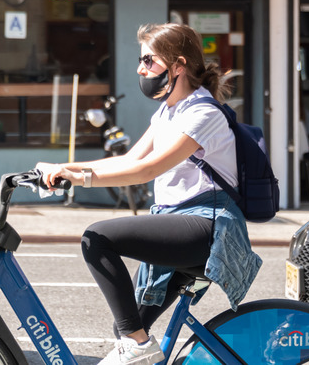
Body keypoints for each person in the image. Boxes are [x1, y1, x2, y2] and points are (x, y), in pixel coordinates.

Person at [36, 23, 262, 365]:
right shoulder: (169, 110)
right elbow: (129, 159)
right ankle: (138, 344)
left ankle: (138, 345)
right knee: (128, 325)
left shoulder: (203, 113)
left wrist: (78, 178)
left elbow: (147, 170)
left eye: (148, 60)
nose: (141, 69)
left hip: (208, 226)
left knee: (97, 239)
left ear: (178, 65)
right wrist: (63, 167)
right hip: (177, 219)